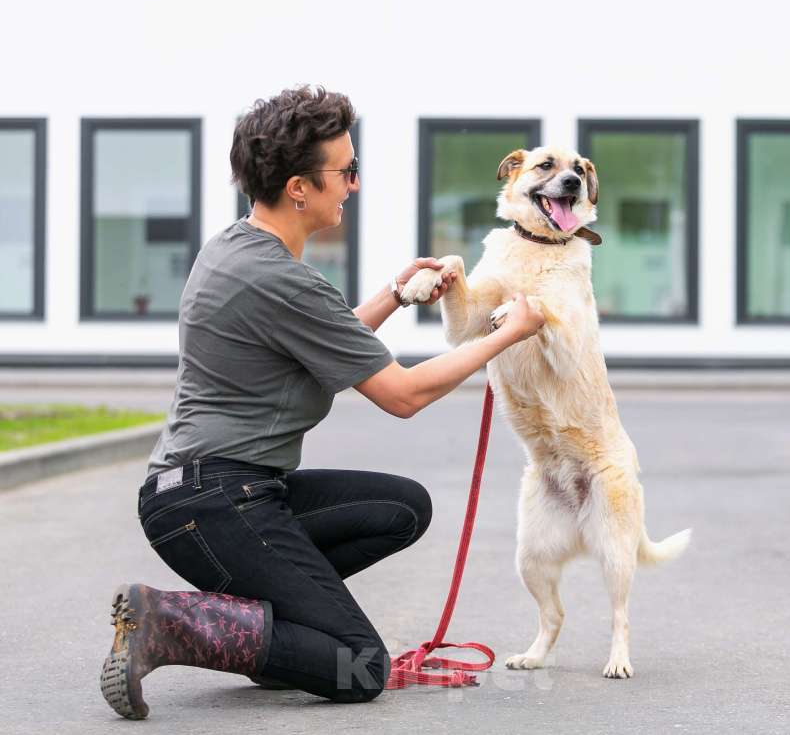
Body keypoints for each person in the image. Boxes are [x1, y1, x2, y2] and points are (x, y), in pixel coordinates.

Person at [100, 85, 545, 720]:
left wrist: (395, 293)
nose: (353, 186)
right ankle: (171, 622)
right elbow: (402, 394)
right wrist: (506, 334)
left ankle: (280, 640)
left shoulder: (235, 249)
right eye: (346, 172)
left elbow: (323, 338)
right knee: (359, 665)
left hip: (201, 497)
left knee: (399, 508)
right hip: (217, 505)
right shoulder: (281, 278)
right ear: (299, 187)